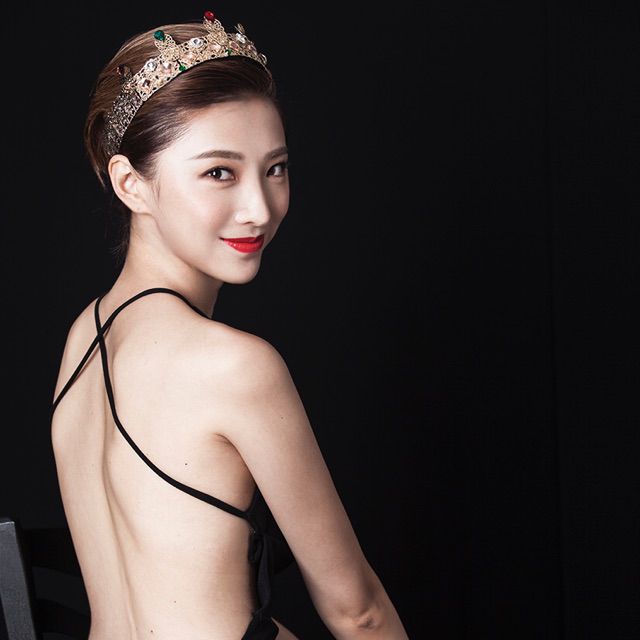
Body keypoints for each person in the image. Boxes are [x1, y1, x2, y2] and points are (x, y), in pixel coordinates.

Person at [50, 9, 409, 640]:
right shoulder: (233, 366)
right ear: (131, 184)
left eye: (275, 168)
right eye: (220, 172)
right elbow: (359, 612)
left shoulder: (85, 336)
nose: (259, 208)